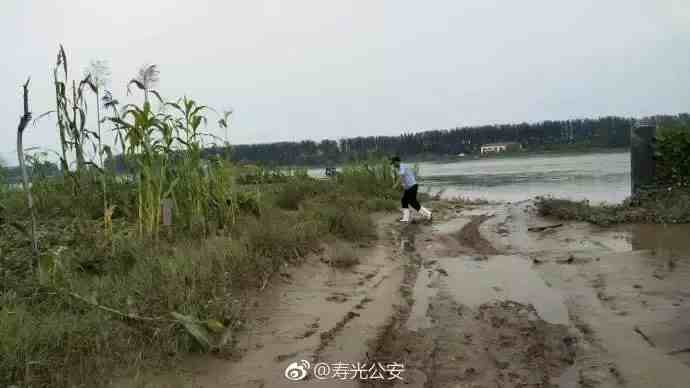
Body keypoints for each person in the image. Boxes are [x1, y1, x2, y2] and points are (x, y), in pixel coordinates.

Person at [391, 156, 432, 222]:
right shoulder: (399, 168)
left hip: (412, 186)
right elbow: (404, 178)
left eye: (393, 163)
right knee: (404, 200)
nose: (393, 165)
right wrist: (403, 186)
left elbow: (401, 177)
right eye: (392, 164)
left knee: (413, 202)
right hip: (408, 187)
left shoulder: (402, 167)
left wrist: (395, 185)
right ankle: (406, 218)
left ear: (397, 162)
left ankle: (428, 214)